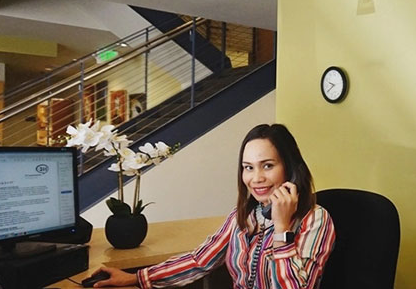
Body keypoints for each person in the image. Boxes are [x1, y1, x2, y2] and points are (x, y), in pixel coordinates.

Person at [91, 123, 336, 288]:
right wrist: (135, 278)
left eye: (268, 166)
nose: (256, 178)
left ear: (290, 169)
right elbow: (200, 260)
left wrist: (282, 230)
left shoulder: (315, 220)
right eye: (248, 167)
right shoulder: (245, 215)